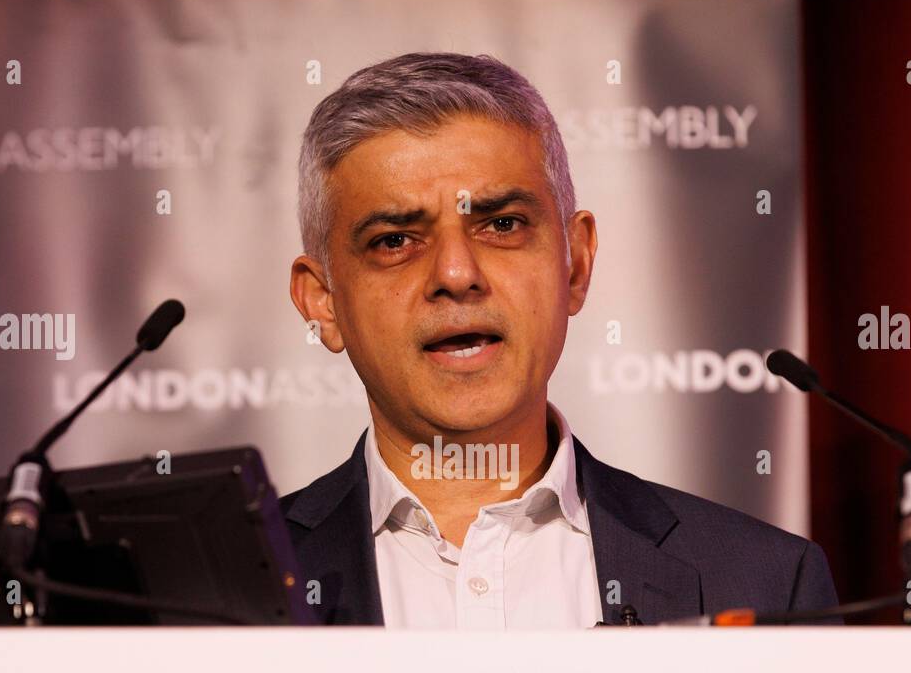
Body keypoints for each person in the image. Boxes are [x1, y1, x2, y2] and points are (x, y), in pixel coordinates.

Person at [283, 51, 838, 628]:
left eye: (502, 225)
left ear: (575, 264)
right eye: (396, 239)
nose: (455, 274)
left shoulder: (766, 583)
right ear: (322, 301)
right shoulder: (216, 597)